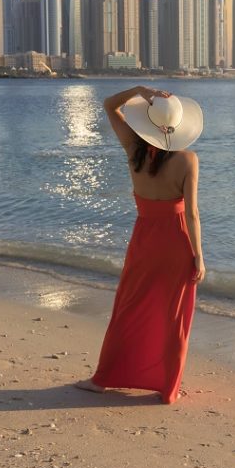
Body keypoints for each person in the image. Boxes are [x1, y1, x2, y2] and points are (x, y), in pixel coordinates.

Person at [75, 85, 205, 403]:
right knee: (174, 317)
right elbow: (191, 214)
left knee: (128, 309)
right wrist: (199, 257)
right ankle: (168, 388)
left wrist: (139, 90)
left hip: (144, 242)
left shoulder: (134, 150)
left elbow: (109, 105)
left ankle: (103, 379)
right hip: (176, 245)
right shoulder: (188, 160)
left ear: (147, 124)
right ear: (176, 128)